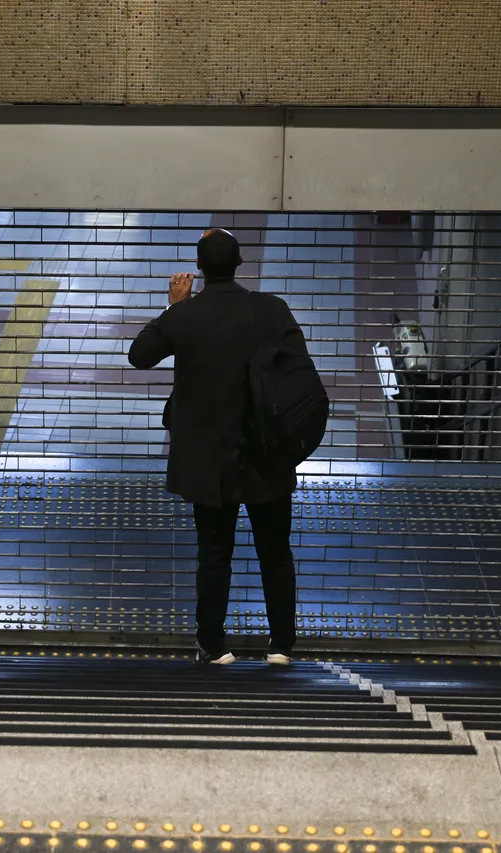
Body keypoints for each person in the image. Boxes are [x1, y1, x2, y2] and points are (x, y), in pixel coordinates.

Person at [128, 228, 309, 665]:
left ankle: (213, 645)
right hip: (267, 452)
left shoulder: (185, 314)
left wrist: (174, 307)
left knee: (214, 555)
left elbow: (140, 355)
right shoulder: (271, 310)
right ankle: (281, 645)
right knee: (275, 551)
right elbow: (298, 368)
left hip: (209, 458)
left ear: (199, 269)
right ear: (240, 262)